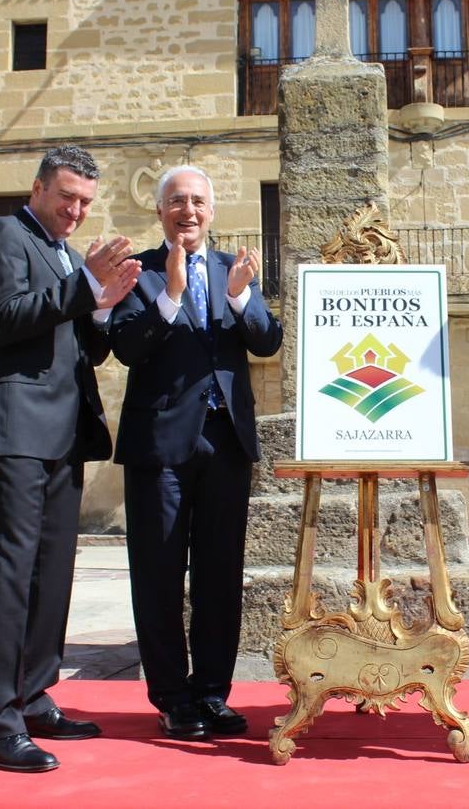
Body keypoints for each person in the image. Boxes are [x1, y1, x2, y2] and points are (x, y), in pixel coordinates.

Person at [0, 145, 140, 772]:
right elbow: (9, 318)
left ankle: (33, 695)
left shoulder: (69, 255)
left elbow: (84, 350)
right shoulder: (2, 235)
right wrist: (84, 284)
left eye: (86, 202)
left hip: (66, 432)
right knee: (10, 571)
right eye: (66, 197)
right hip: (16, 427)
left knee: (53, 572)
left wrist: (104, 303)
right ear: (37, 189)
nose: (75, 210)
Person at [108, 165, 283, 741]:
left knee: (220, 574)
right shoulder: (141, 272)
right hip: (160, 444)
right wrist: (172, 296)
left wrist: (238, 299)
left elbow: (266, 339)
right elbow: (128, 348)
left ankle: (212, 693)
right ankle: (172, 697)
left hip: (224, 440)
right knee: (158, 572)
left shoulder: (234, 267)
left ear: (211, 210)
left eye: (198, 201)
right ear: (160, 211)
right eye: (177, 201)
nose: (188, 210)